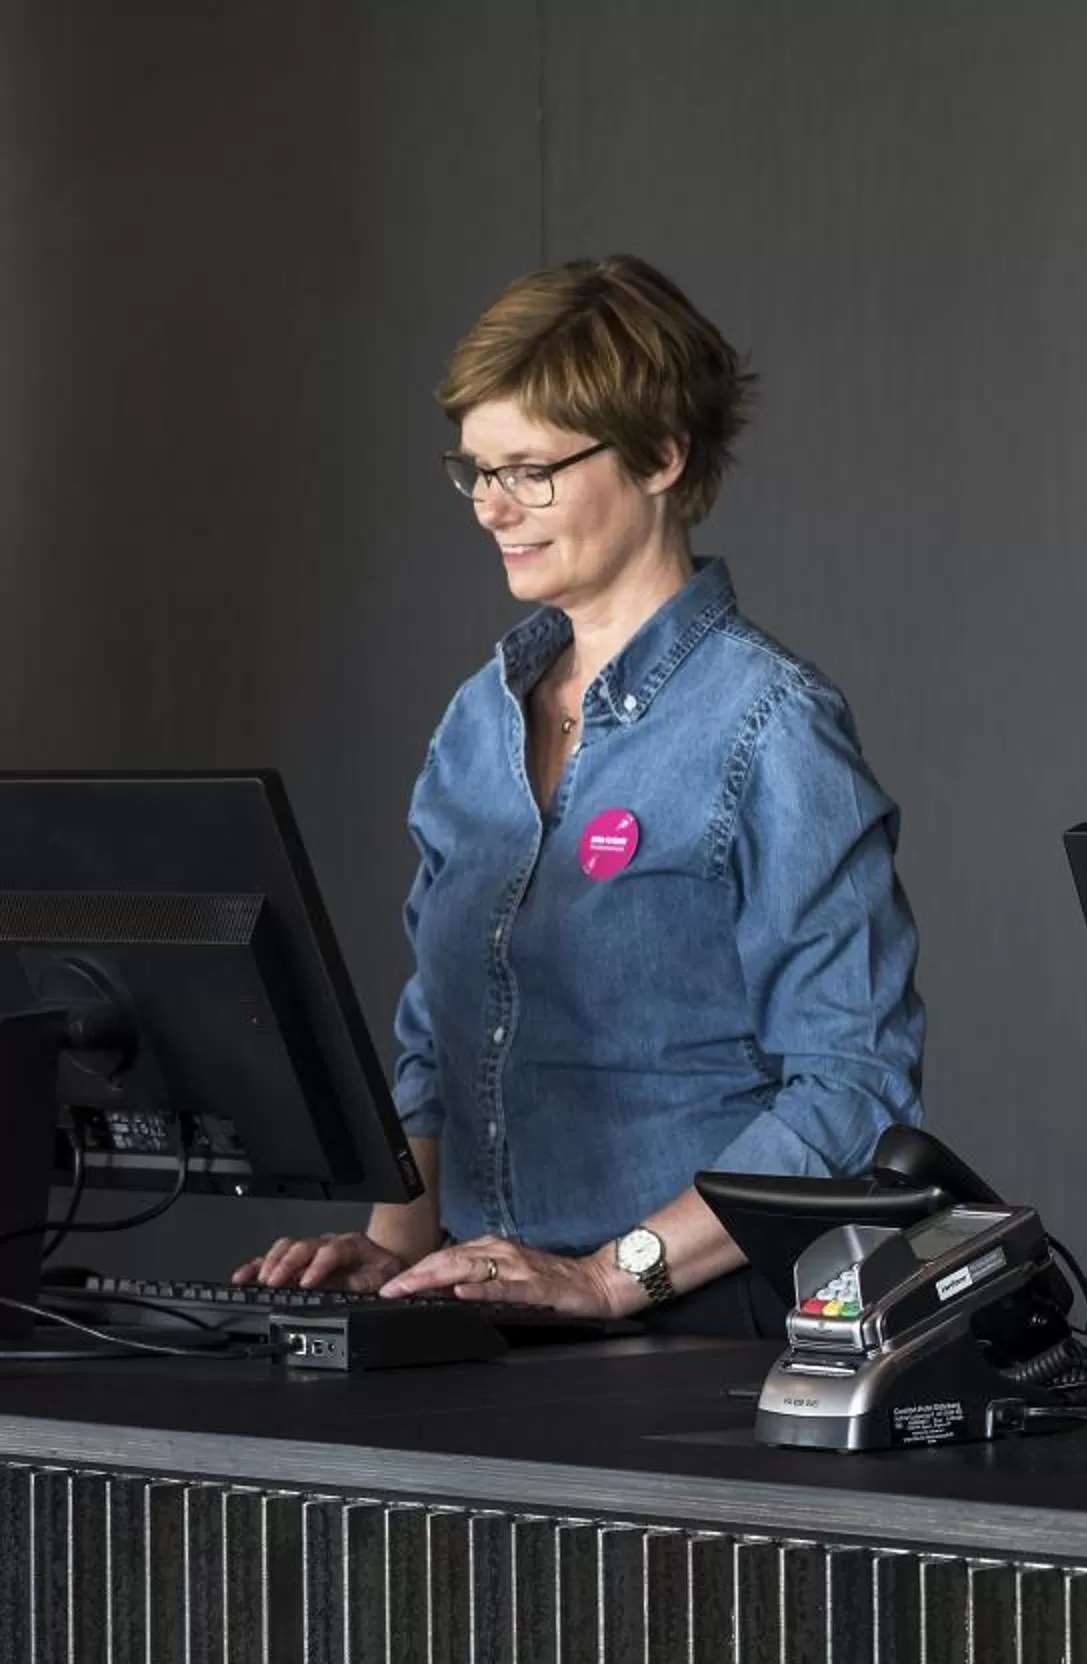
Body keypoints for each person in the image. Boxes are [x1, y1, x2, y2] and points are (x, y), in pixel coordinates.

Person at [238, 255, 925, 1332]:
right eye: (475, 472)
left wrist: (612, 1274)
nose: (492, 508)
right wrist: (389, 1251)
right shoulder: (478, 719)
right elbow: (438, 1046)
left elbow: (852, 1089)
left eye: (530, 470)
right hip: (491, 1311)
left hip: (699, 1328)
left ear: (660, 454)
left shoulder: (773, 724)